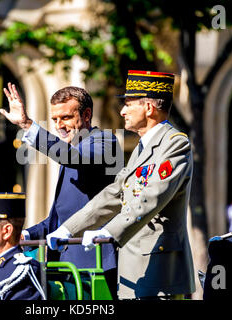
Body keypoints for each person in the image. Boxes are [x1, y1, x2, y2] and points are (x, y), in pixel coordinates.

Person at [47, 70, 195, 300]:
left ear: (148, 108)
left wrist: (107, 231)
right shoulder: (142, 148)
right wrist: (69, 228)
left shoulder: (174, 145)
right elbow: (115, 193)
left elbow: (150, 198)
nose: (122, 111)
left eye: (128, 104)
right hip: (133, 271)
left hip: (159, 273)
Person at [1, 83, 121, 296]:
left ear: (86, 114)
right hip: (62, 268)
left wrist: (27, 125)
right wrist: (27, 234)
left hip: (94, 267)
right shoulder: (70, 153)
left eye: (65, 117)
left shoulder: (105, 140)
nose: (59, 125)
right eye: (55, 119)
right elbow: (57, 221)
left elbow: (73, 157)